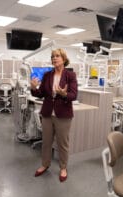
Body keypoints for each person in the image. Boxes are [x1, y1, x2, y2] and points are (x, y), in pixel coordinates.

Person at [30, 48, 78, 182]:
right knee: (46, 142)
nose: (54, 58)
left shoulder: (70, 75)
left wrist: (64, 94)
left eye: (57, 56)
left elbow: (74, 95)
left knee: (62, 143)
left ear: (63, 59)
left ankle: (63, 167)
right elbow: (41, 94)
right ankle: (45, 164)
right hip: (47, 113)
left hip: (63, 114)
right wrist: (34, 88)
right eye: (52, 56)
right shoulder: (47, 75)